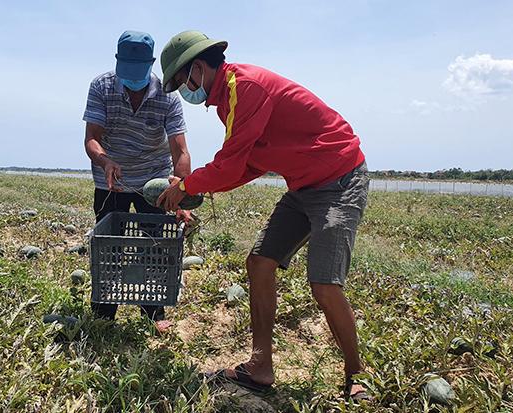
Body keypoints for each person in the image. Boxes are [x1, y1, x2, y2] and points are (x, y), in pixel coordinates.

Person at [157, 31, 371, 400]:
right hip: (302, 186)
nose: (183, 92)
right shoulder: (228, 100)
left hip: (339, 180)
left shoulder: (245, 86)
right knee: (259, 262)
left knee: (324, 284)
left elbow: (231, 163)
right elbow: (248, 163)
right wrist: (194, 189)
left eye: (180, 83)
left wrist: (188, 185)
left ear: (197, 68)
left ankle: (357, 373)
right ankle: (261, 367)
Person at [83, 30, 191, 333]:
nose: (132, 81)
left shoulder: (168, 94)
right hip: (111, 180)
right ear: (117, 62)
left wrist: (181, 189)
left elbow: (180, 149)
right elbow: (92, 139)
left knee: (155, 247)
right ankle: (104, 312)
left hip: (154, 179)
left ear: (152, 64)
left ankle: (153, 312)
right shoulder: (101, 86)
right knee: (109, 247)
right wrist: (105, 161)